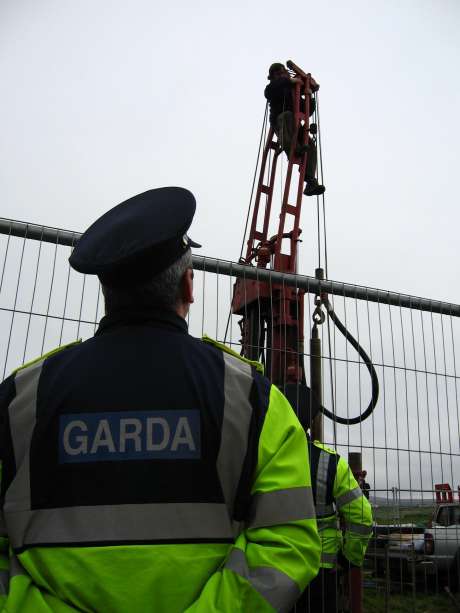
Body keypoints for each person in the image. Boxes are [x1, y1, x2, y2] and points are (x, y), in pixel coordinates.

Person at [0, 187, 321, 612]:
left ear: (106, 291)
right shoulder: (252, 399)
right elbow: (288, 541)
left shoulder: (21, 398)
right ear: (189, 286)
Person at [294, 438, 373, 613]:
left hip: (266, 568)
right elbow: (363, 517)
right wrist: (349, 559)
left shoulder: (260, 452)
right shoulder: (328, 461)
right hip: (320, 573)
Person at [264, 62, 325, 197]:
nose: (283, 74)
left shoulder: (292, 90)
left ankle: (310, 180)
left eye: (283, 72)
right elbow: (270, 92)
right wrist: (289, 80)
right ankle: (293, 150)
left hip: (295, 125)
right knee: (287, 116)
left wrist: (309, 97)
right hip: (281, 122)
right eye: (278, 73)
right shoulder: (273, 87)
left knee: (310, 146)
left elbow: (306, 110)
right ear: (273, 77)